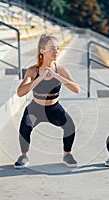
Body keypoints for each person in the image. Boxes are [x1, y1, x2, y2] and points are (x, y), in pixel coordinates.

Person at [14, 33, 80, 169]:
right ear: (42, 51)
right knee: (24, 128)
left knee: (70, 127)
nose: (56, 51)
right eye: (52, 48)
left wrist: (57, 76)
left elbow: (77, 89)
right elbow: (20, 92)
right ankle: (24, 155)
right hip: (35, 108)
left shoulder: (61, 70)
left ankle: (67, 154)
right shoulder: (33, 71)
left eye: (57, 48)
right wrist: (40, 77)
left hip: (54, 108)